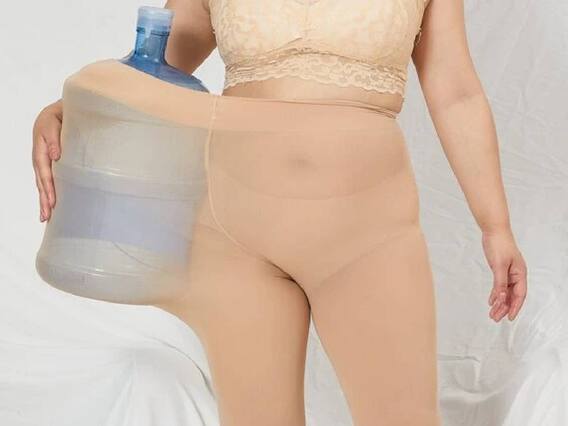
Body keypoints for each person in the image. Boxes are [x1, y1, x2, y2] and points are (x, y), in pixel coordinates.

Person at [31, 0, 528, 425]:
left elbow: (455, 91)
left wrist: (496, 226)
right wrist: (66, 109)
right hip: (232, 236)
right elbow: (153, 67)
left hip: (367, 236)